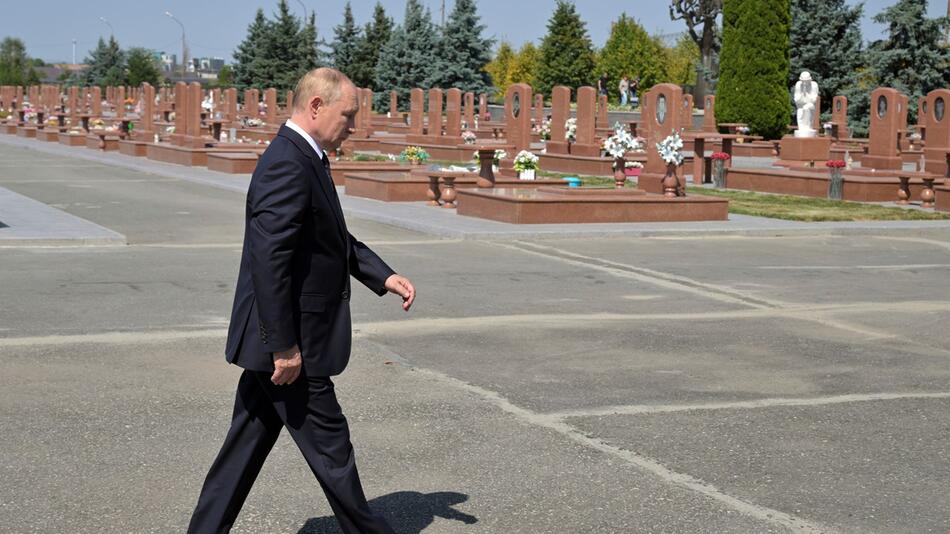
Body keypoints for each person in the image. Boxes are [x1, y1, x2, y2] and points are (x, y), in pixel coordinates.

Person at [187, 67, 416, 534]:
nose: (353, 125)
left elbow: (328, 236)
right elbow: (269, 260)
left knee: (243, 448)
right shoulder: (288, 162)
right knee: (332, 447)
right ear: (316, 106)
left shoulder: (304, 156)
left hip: (278, 339)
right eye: (347, 115)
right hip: (291, 343)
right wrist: (283, 347)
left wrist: (382, 274)